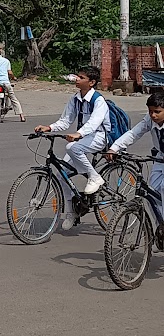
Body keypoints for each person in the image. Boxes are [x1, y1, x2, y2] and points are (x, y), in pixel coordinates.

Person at [35, 65, 108, 230]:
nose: (77, 79)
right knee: (62, 175)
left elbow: (94, 123)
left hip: (100, 136)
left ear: (92, 82)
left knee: (72, 147)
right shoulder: (75, 99)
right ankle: (71, 212)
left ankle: (94, 177)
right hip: (84, 137)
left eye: (81, 77)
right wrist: (49, 127)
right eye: (78, 76)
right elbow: (66, 120)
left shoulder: (98, 100)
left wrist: (79, 134)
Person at [107, 87, 164, 247]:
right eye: (151, 111)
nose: (153, 115)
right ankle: (160, 225)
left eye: (157, 111)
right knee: (152, 192)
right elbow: (134, 133)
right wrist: (115, 148)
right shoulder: (149, 119)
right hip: (160, 159)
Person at [0, 45, 25, 123]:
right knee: (13, 98)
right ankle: (21, 116)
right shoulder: (6, 61)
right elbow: (10, 72)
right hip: (5, 82)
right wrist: (14, 78)